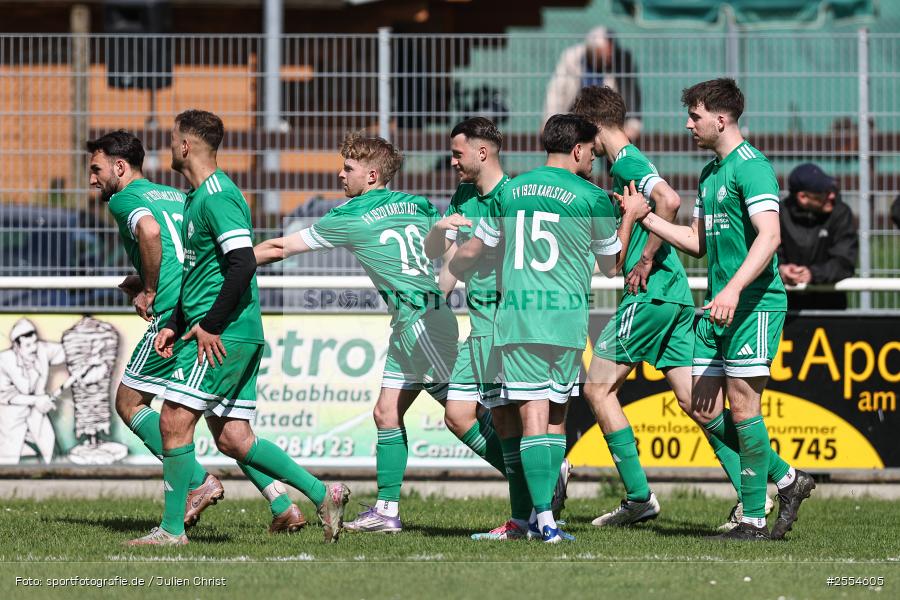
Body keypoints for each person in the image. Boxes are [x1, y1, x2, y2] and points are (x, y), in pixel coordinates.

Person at [127, 110, 349, 546]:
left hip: (223, 332)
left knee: (173, 419)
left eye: (172, 140)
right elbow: (196, 272)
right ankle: (326, 494)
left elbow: (242, 261)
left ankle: (171, 531)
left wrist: (209, 324)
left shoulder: (218, 196)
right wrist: (173, 322)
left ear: (186, 146)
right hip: (222, 329)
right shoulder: (194, 198)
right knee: (234, 438)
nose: (168, 148)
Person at [255, 132, 495, 534]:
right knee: (386, 413)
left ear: (370, 174)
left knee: (460, 415)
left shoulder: (350, 216)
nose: (339, 175)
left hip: (422, 324)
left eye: (347, 168)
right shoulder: (417, 203)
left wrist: (230, 260)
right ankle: (386, 511)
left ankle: (533, 475)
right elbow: (445, 249)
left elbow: (281, 248)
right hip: (414, 323)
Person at [620, 78, 815, 540]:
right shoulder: (710, 175)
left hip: (752, 306)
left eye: (695, 115)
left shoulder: (752, 168)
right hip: (719, 308)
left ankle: (752, 518)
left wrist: (732, 291)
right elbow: (697, 243)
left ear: (720, 119)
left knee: (745, 408)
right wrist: (645, 217)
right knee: (703, 407)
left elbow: (770, 237)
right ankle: (788, 479)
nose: (689, 124)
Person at [89, 130, 307, 535]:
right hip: (209, 313)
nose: (92, 179)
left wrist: (151, 289)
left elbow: (151, 233)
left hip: (179, 314)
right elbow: (184, 250)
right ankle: (284, 502)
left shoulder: (125, 199)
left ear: (120, 167)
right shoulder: (173, 193)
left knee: (131, 401)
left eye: (96, 169)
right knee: (223, 424)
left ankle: (196, 484)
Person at [452, 114, 640, 542]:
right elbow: (612, 266)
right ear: (577, 150)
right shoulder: (591, 197)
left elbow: (478, 252)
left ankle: (542, 522)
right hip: (567, 321)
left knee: (532, 419)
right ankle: (540, 522)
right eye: (592, 152)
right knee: (553, 416)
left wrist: (456, 261)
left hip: (520, 318)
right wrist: (628, 216)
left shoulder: (512, 190)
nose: (594, 159)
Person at [423, 117, 567, 541]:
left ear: (481, 153)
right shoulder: (465, 195)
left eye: (457, 153)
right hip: (478, 323)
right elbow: (442, 254)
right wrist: (435, 296)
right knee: (459, 414)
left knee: (508, 422)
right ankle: (540, 486)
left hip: (506, 325)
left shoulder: (513, 197)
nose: (452, 161)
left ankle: (526, 514)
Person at [572, 85, 694, 527]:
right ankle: (765, 487)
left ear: (593, 129)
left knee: (597, 389)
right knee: (695, 401)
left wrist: (644, 258)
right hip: (675, 293)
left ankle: (639, 496)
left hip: (650, 293)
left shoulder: (625, 161)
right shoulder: (629, 162)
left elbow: (669, 201)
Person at [777, 163, 858, 310]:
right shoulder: (779, 214)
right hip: (784, 308)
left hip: (830, 307)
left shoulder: (840, 213)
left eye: (831, 189)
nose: (832, 195)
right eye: (824, 192)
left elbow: (845, 261)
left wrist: (812, 274)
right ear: (803, 197)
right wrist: (781, 270)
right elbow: (767, 254)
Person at [543, 27, 642, 141]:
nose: (609, 57)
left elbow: (631, 94)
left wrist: (633, 125)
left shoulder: (622, 61)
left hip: (606, 122)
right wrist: (549, 121)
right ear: (592, 51)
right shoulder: (572, 58)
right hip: (574, 119)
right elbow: (556, 92)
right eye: (604, 54)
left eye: (611, 53)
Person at [0, 319, 61, 464]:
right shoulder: (3, 361)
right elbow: (6, 395)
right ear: (16, 346)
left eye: (34, 342)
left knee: (51, 451)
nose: (33, 348)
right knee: (7, 460)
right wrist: (37, 400)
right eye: (28, 345)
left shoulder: (42, 349)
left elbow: (67, 351)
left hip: (36, 414)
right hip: (12, 418)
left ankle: (54, 483)